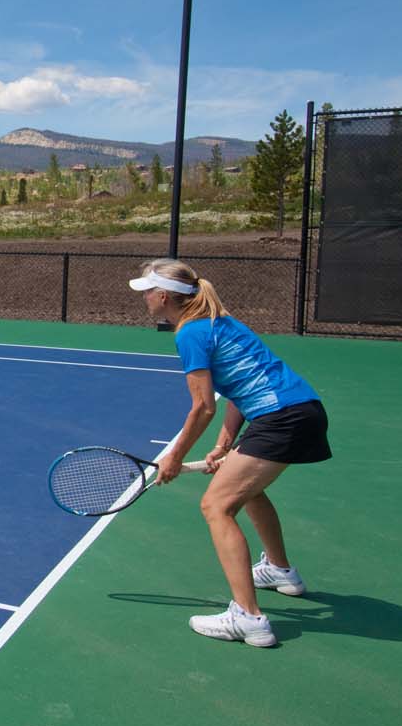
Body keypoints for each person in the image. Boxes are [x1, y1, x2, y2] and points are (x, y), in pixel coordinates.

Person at [130, 258, 330, 648]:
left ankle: (248, 618)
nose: (145, 299)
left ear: (165, 296)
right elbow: (238, 389)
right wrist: (225, 444)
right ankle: (280, 570)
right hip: (302, 409)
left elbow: (203, 405)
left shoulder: (189, 334)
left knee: (216, 506)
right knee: (247, 491)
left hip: (279, 418)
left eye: (147, 292)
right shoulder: (223, 322)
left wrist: (173, 456)